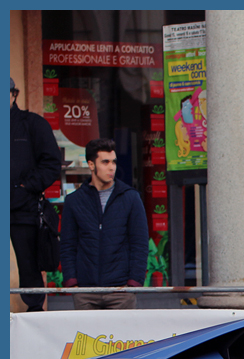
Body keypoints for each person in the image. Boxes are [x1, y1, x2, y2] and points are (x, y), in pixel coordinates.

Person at [60, 137, 148, 309]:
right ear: (91, 165)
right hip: (85, 292)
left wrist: (133, 284)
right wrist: (72, 283)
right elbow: (67, 246)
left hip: (121, 292)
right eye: (105, 162)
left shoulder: (131, 198)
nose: (111, 167)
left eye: (114, 162)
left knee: (121, 337)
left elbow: (140, 244)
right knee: (87, 337)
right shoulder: (74, 201)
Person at [10, 76, 62, 312]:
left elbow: (52, 164)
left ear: (13, 95)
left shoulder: (33, 124)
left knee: (29, 267)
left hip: (23, 210)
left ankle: (34, 314)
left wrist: (25, 187)